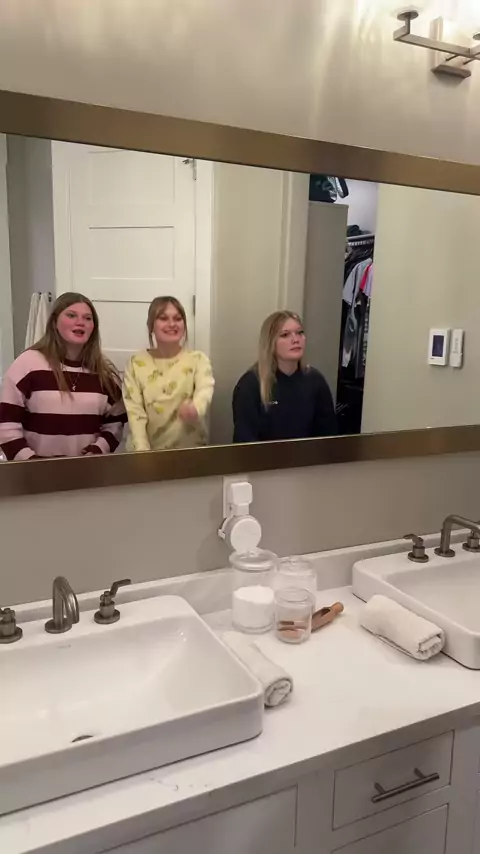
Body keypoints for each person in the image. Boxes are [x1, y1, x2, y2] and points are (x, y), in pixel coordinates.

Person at [0, 292, 126, 460]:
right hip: (33, 470)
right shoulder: (27, 364)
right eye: (71, 315)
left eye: (88, 318)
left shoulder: (104, 373)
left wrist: (99, 449)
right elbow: (6, 422)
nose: (80, 322)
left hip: (88, 470)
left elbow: (115, 423)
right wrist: (29, 461)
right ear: (54, 322)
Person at [123, 296, 214, 451]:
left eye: (178, 319)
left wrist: (196, 408)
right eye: (163, 318)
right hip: (147, 452)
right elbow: (135, 412)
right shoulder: (135, 363)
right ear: (151, 325)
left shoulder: (198, 360)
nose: (172, 324)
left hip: (190, 451)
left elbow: (205, 389)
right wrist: (142, 452)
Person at [232, 310, 337, 443]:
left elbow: (328, 437)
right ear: (270, 342)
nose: (295, 340)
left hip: (308, 456)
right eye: (285, 335)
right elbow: (244, 442)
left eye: (300, 333)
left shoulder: (315, 381)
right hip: (263, 456)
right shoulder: (251, 385)